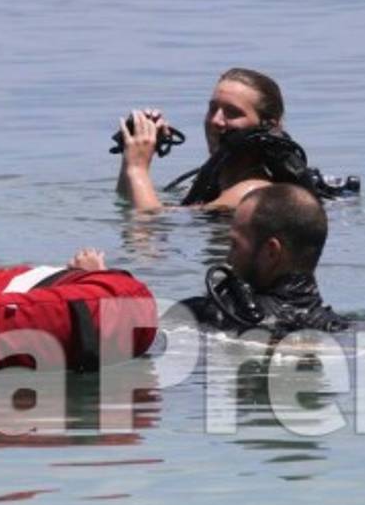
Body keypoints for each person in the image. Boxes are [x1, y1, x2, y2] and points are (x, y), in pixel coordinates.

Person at [73, 184, 347, 336]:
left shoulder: (220, 313)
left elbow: (133, 328)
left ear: (271, 252)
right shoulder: (335, 326)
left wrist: (97, 282)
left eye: (235, 244)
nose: (228, 256)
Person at [114, 68, 287, 211]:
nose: (215, 120)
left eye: (232, 113)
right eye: (213, 109)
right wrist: (130, 154)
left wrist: (137, 167)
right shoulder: (213, 182)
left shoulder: (251, 193)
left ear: (269, 127)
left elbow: (147, 226)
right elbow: (126, 202)